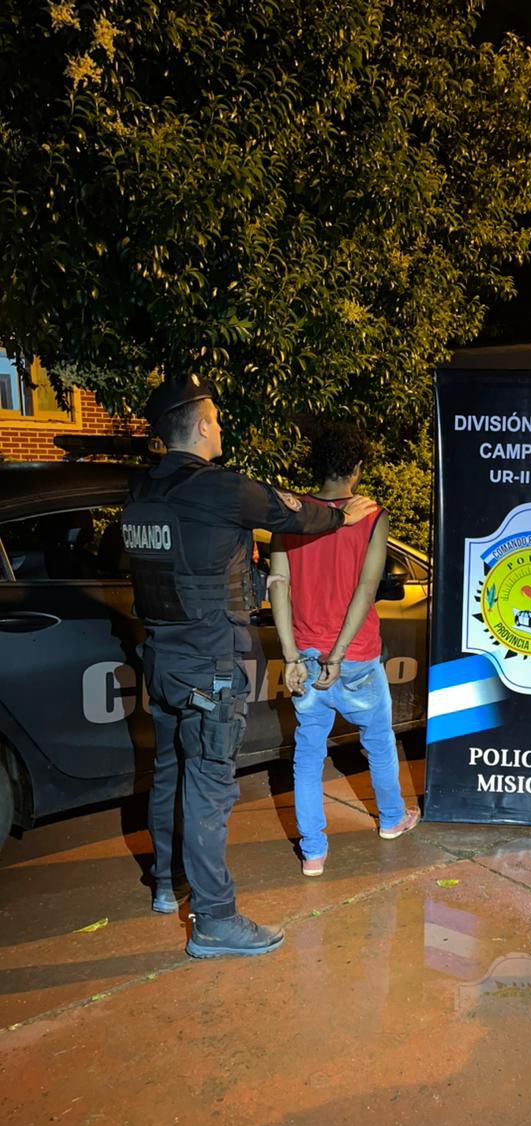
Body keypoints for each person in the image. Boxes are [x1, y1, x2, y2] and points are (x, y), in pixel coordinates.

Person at [121, 375, 376, 958]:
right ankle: (213, 920)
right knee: (209, 787)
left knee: (169, 772)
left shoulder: (141, 490)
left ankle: (166, 884)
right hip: (211, 666)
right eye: (216, 418)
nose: (221, 426)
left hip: (162, 660)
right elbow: (293, 513)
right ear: (201, 426)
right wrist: (342, 517)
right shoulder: (219, 489)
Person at [267, 419, 419, 875]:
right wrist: (337, 655)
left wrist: (291, 656)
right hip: (354, 657)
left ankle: (313, 852)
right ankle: (391, 819)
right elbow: (367, 589)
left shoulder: (290, 514)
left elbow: (278, 584)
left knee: (308, 755)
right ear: (356, 466)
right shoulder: (371, 517)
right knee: (379, 741)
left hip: (304, 657)